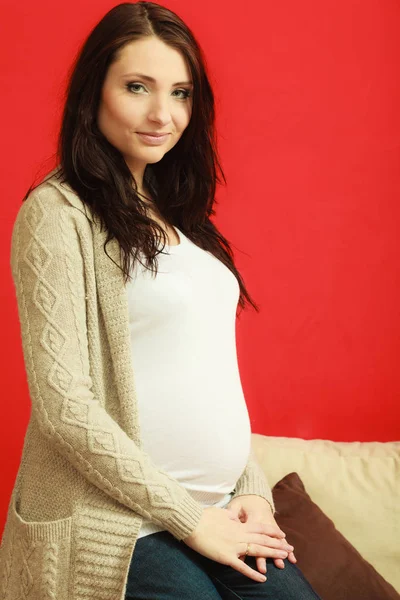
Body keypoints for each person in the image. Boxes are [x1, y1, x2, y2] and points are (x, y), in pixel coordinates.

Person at [0, 2, 322, 599]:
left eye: (180, 93)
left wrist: (250, 486)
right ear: (92, 92)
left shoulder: (182, 221)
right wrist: (190, 518)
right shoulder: (57, 212)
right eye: (136, 87)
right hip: (121, 521)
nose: (162, 114)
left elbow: (207, 376)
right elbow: (63, 405)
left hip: (218, 510)